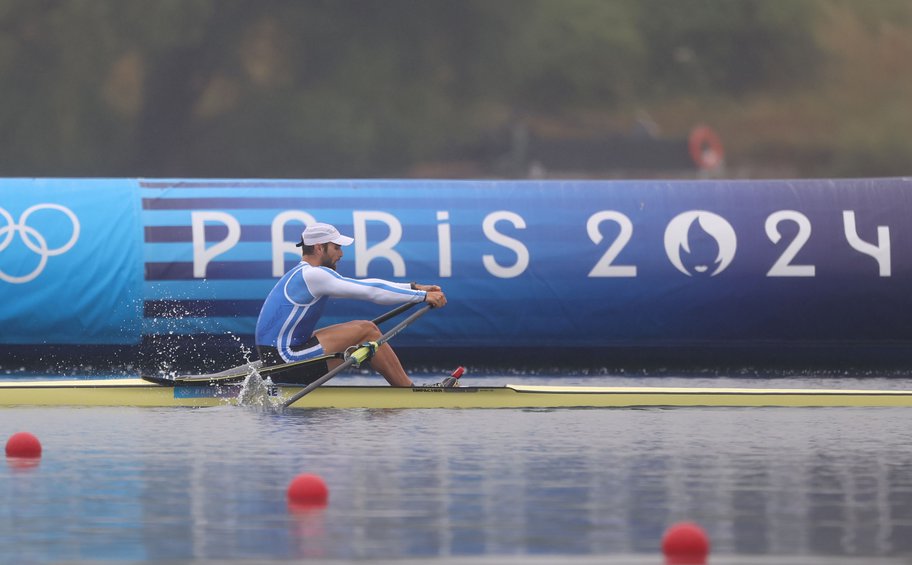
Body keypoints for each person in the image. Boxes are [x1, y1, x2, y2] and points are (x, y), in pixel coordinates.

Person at [255, 222, 447, 387]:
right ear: (320, 247)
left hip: (276, 359)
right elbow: (371, 290)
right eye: (336, 247)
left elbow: (366, 285)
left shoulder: (304, 273)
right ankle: (409, 391)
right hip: (287, 362)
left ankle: (404, 389)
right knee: (367, 330)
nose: (341, 253)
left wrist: (414, 287)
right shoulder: (313, 275)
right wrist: (421, 296)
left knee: (363, 330)